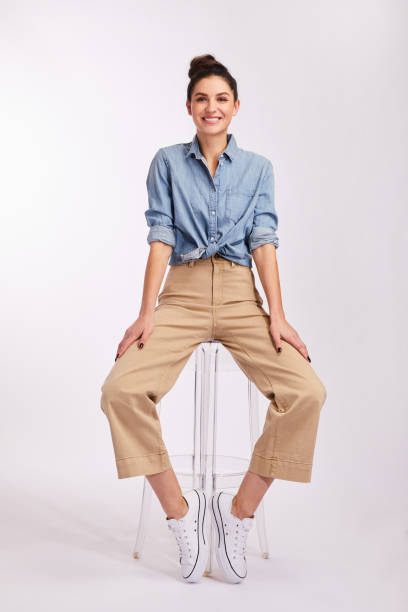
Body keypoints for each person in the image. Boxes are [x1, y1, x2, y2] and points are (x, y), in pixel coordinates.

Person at [100, 54, 327, 584]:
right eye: (202, 98)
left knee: (307, 392)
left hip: (240, 296)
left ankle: (237, 513)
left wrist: (278, 315)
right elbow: (160, 235)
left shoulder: (258, 169)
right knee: (120, 391)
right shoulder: (167, 162)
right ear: (189, 107)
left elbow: (264, 242)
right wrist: (144, 313)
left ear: (235, 107)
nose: (211, 107)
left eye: (221, 98)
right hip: (180, 295)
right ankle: (181, 516)